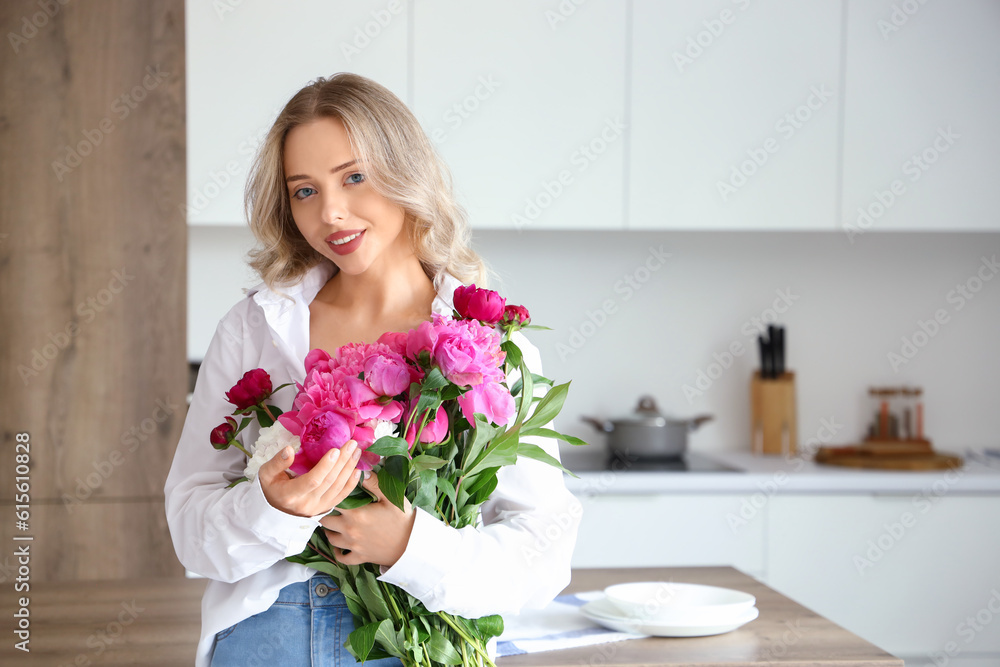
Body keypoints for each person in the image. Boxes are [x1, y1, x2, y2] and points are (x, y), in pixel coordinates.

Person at [163, 72, 582, 667]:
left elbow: (545, 550)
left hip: (430, 639)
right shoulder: (254, 328)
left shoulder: (486, 350)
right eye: (303, 191)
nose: (330, 212)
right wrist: (273, 509)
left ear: (407, 173)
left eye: (353, 177)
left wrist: (412, 548)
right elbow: (189, 525)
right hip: (269, 636)